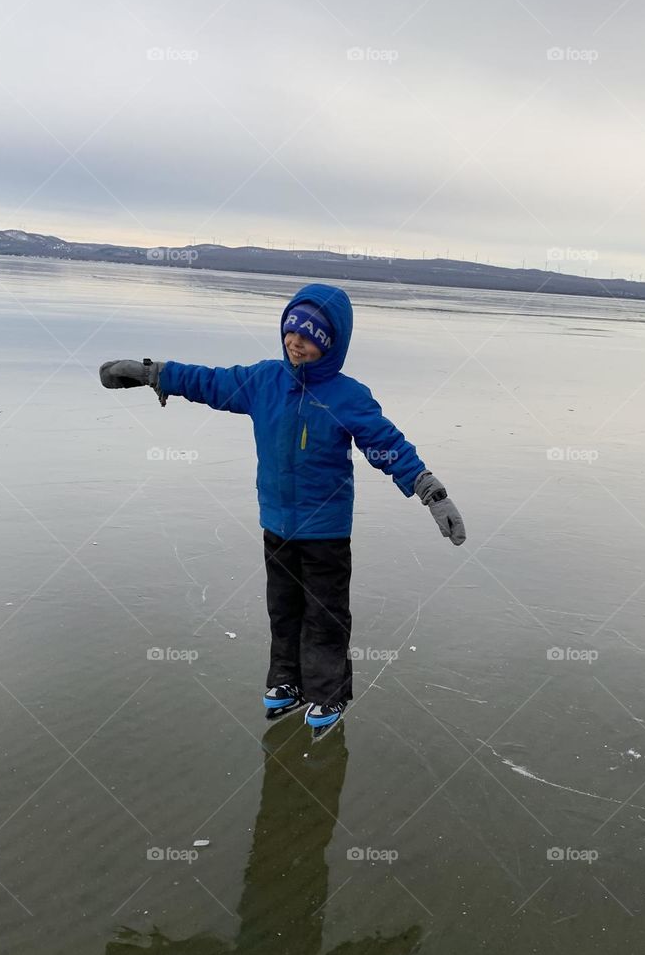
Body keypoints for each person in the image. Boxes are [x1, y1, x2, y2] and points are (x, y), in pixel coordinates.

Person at [100, 282, 465, 732]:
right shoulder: (264, 381)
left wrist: (429, 489)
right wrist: (156, 373)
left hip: (326, 533)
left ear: (331, 344)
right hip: (276, 524)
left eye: (310, 336)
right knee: (284, 609)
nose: (297, 341)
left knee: (324, 615)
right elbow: (210, 381)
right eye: (292, 330)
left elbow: (386, 445)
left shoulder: (348, 397)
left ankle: (328, 693)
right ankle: (287, 682)